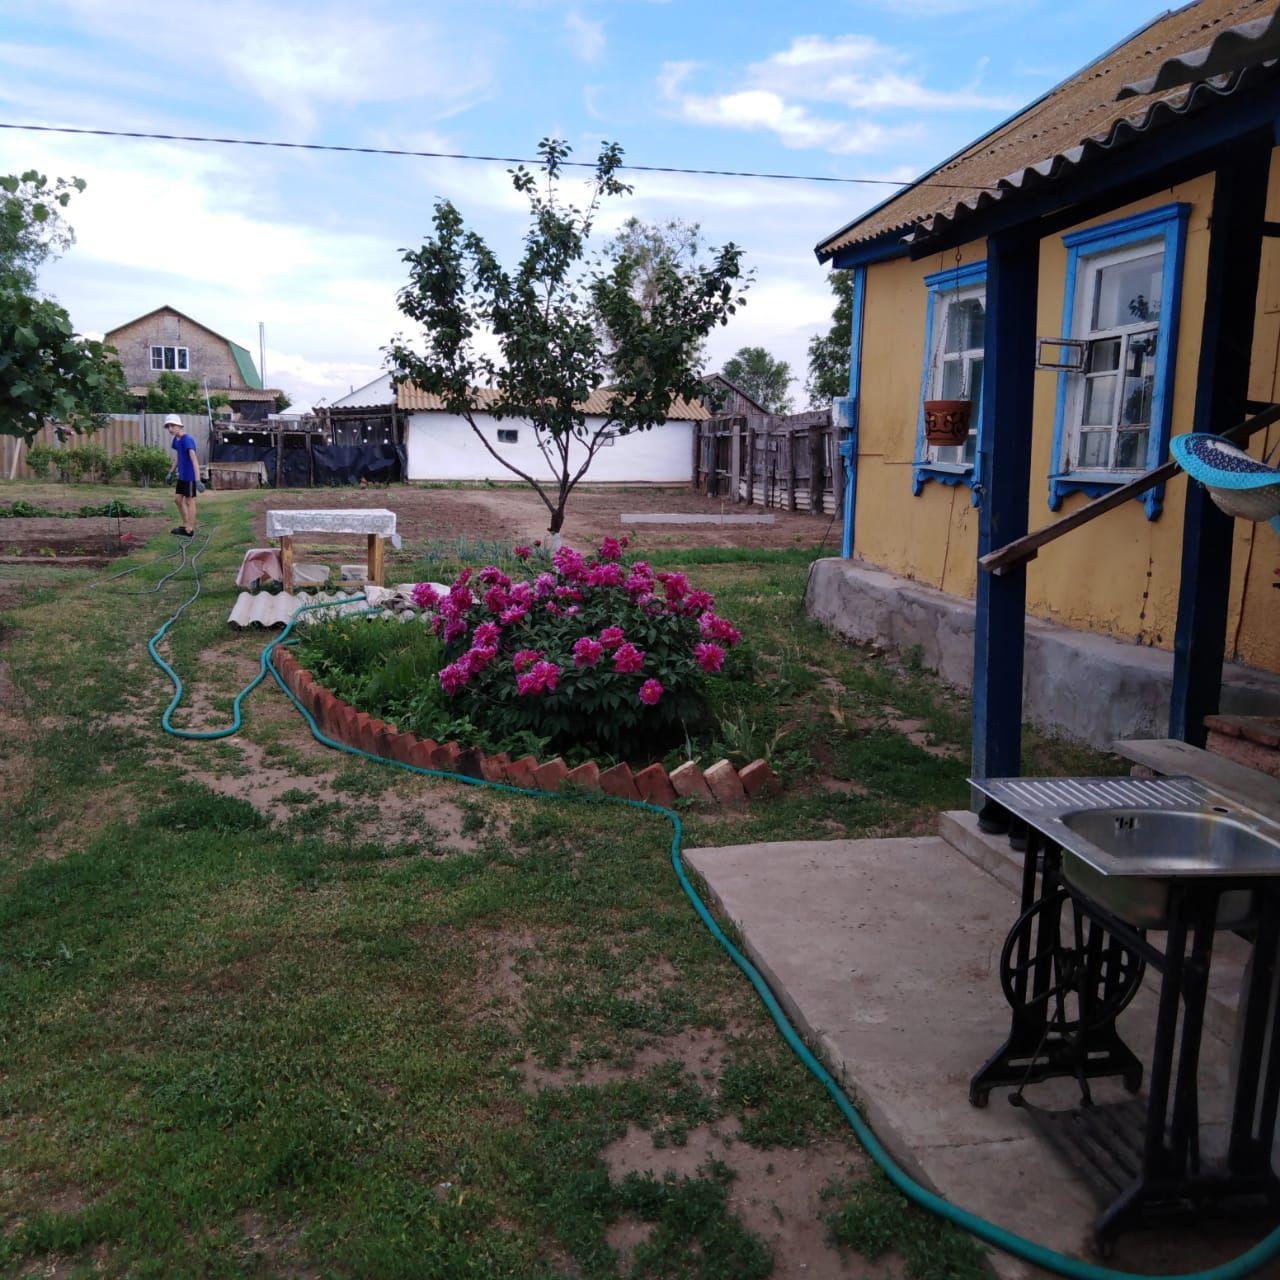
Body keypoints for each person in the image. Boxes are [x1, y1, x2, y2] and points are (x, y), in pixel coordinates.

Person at [164, 414, 204, 536]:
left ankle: (190, 529)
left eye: (172, 426)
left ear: (179, 425)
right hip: (182, 476)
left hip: (190, 477)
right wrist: (171, 472)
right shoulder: (176, 440)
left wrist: (198, 480)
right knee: (177, 500)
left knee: (189, 501)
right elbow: (179, 457)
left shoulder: (187, 439)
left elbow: (194, 460)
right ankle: (186, 525)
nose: (170, 429)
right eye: (168, 426)